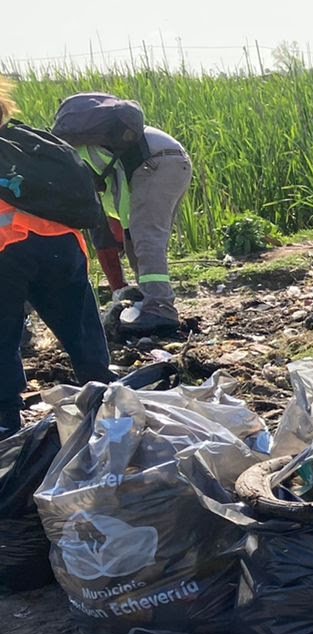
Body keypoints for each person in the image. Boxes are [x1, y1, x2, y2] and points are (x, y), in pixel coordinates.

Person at [0, 78, 112, 438]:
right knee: (79, 326)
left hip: (7, 247)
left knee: (3, 334)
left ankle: (5, 419)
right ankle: (107, 401)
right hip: (65, 244)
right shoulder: (30, 143)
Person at [52, 94, 192, 336]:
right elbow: (115, 207)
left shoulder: (75, 161)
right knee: (139, 238)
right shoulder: (93, 147)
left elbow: (108, 217)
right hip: (169, 159)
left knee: (146, 238)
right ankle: (152, 301)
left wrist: (127, 231)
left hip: (155, 163)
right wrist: (127, 233)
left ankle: (160, 309)